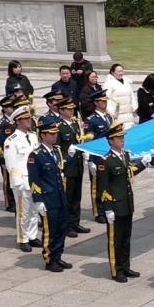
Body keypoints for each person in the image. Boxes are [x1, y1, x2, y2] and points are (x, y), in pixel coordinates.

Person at [96, 122, 151, 282]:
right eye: (119, 137)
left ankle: (125, 267)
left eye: (122, 137)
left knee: (126, 239)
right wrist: (107, 208)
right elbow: (103, 187)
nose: (122, 140)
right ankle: (116, 270)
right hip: (115, 205)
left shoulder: (125, 155)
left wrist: (142, 164)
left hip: (126, 203)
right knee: (115, 240)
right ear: (110, 140)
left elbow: (128, 173)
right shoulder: (105, 161)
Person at [27, 115, 71, 272]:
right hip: (47, 198)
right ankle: (49, 259)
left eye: (56, 133)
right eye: (51, 133)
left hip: (59, 196)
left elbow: (61, 169)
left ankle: (58, 256)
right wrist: (38, 199)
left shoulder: (56, 151)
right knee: (50, 231)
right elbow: (34, 179)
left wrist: (72, 156)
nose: (55, 136)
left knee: (61, 229)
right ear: (43, 135)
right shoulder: (36, 155)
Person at [4, 106, 42, 252]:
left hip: (34, 179)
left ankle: (32, 236)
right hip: (21, 180)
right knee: (23, 212)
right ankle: (23, 238)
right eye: (25, 119)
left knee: (33, 210)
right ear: (18, 121)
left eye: (29, 118)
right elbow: (11, 163)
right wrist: (17, 181)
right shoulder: (11, 140)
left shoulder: (32, 136)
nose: (29, 121)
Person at [55, 97, 90, 236]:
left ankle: (75, 222)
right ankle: (67, 225)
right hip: (67, 166)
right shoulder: (58, 126)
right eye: (68, 109)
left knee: (77, 197)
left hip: (77, 164)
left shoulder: (75, 124)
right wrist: (61, 165)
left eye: (72, 109)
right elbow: (57, 148)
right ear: (61, 110)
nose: (71, 111)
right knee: (68, 198)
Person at [84, 90, 113, 224]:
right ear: (96, 103)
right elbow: (88, 141)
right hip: (97, 156)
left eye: (105, 100)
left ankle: (108, 208)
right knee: (97, 186)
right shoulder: (91, 120)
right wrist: (90, 160)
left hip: (108, 155)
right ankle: (98, 212)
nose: (105, 103)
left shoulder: (108, 117)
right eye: (102, 101)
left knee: (109, 184)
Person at [0, 96, 16, 213]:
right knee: (7, 181)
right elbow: (0, 141)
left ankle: (15, 200)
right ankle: (9, 203)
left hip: (16, 155)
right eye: (9, 107)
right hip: (5, 155)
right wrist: (2, 158)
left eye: (13, 106)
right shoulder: (1, 123)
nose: (12, 108)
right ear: (4, 109)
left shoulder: (16, 120)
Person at [104, 64, 136, 128]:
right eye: (119, 71)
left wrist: (135, 108)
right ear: (112, 72)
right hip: (117, 114)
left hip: (128, 113)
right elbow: (107, 99)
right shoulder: (108, 83)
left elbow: (132, 96)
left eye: (122, 71)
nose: (121, 73)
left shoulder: (127, 82)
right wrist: (111, 112)